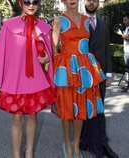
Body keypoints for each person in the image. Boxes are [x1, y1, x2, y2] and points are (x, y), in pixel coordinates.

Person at [0, 0, 55, 158]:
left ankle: (29, 152)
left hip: (36, 81)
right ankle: (16, 155)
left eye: (35, 1)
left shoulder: (44, 27)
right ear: (21, 3)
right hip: (15, 80)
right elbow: (1, 53)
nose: (31, 5)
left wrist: (47, 58)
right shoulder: (9, 26)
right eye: (27, 1)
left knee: (33, 115)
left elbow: (50, 54)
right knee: (17, 118)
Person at [52, 0, 106, 158]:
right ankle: (67, 145)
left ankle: (76, 145)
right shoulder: (58, 20)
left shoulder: (86, 20)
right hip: (67, 69)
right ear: (63, 1)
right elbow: (55, 48)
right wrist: (58, 69)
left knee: (81, 108)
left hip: (84, 69)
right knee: (68, 107)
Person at [80, 0, 118, 158]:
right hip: (83, 74)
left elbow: (107, 49)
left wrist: (109, 74)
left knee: (99, 109)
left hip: (100, 75)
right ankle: (83, 139)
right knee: (83, 109)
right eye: (88, 0)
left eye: (94, 0)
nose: (91, 3)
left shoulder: (103, 24)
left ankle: (102, 143)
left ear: (98, 4)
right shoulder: (78, 23)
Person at [117, 13, 129, 93]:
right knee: (128, 69)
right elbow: (126, 38)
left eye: (125, 19)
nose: (124, 21)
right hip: (127, 51)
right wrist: (123, 34)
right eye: (123, 20)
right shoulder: (127, 28)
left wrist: (121, 34)